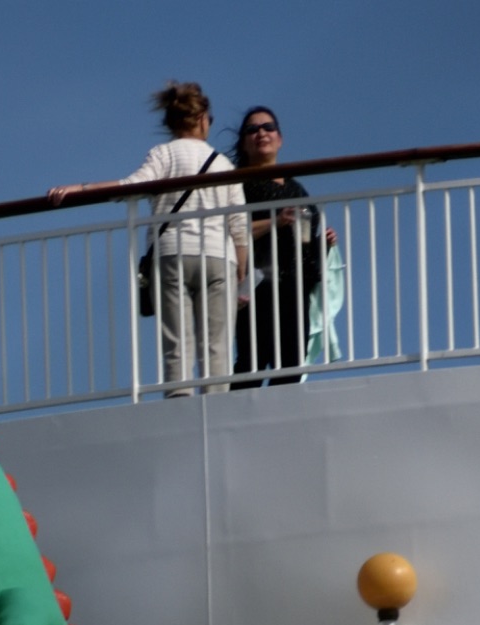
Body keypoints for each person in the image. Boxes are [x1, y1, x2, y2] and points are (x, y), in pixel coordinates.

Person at [53, 83, 247, 395]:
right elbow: (239, 223)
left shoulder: (163, 154)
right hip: (217, 256)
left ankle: (179, 398)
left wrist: (82, 188)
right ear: (202, 120)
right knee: (217, 343)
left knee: (177, 340)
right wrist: (241, 268)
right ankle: (217, 401)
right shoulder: (223, 163)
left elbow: (130, 187)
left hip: (173, 253)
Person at [230, 107, 338, 389]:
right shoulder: (238, 185)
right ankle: (238, 412)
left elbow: (303, 240)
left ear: (280, 138)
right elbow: (231, 230)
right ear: (244, 142)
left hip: (294, 286)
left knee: (292, 364)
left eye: (268, 127)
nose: (261, 133)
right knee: (253, 362)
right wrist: (275, 220)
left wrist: (324, 244)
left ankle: (274, 415)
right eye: (252, 129)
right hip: (257, 284)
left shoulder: (296, 188)